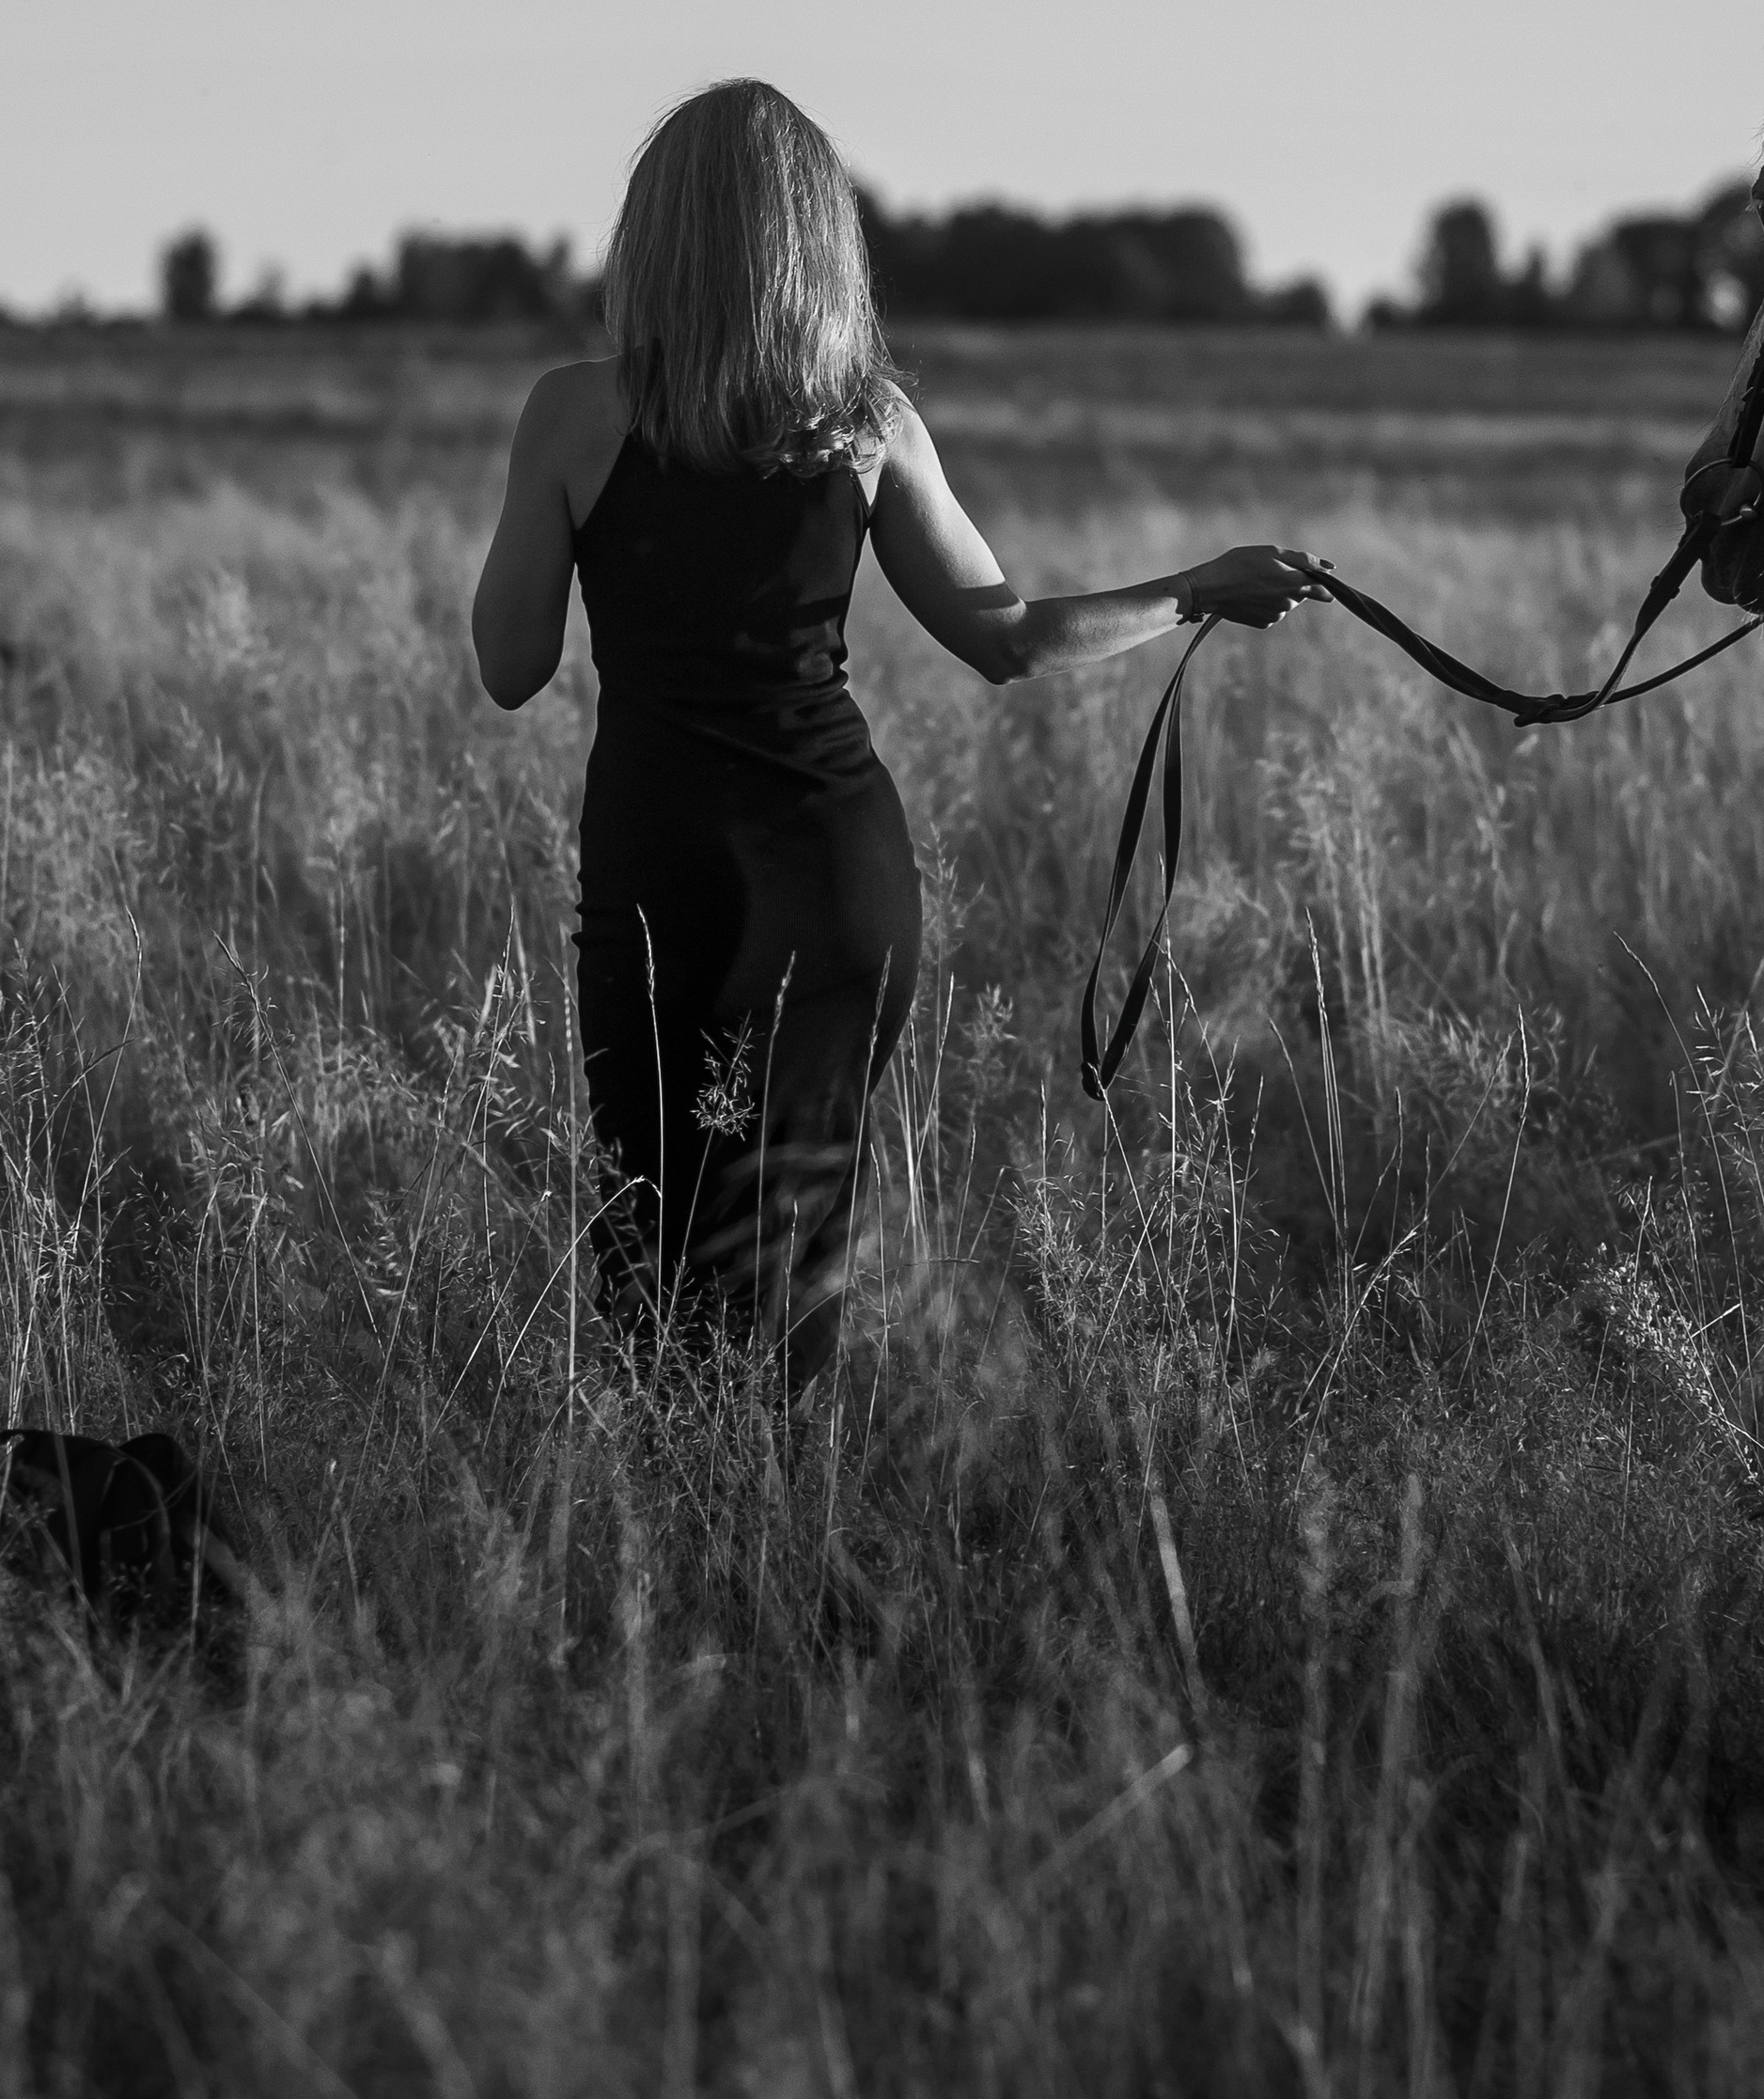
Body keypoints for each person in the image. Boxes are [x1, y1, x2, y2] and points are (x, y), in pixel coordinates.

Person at [471, 79, 1322, 1387]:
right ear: (820, 242)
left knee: (651, 1255)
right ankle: (773, 1501)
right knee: (787, 1264)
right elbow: (1010, 638)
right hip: (838, 886)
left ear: (653, 239)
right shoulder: (865, 423)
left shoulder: (574, 415)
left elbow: (509, 666)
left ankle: (692, 1505)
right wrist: (1197, 586)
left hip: (658, 885)